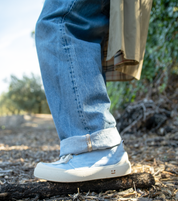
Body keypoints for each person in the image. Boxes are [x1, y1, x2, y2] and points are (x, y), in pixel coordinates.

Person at [34, 0, 152, 183]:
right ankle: (98, 144)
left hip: (96, 146)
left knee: (60, 21)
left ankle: (95, 147)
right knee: (78, 23)